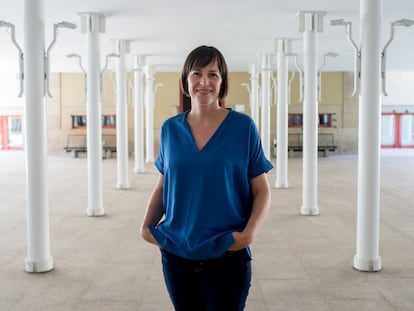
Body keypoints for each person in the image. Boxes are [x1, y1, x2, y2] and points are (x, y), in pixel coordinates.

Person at [140, 45, 273, 311]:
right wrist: (146, 227)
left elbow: (261, 190)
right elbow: (163, 184)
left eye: (213, 74)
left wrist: (248, 235)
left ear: (222, 82)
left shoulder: (242, 127)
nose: (204, 82)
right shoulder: (170, 129)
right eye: (196, 73)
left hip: (226, 252)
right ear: (185, 81)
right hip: (177, 253)